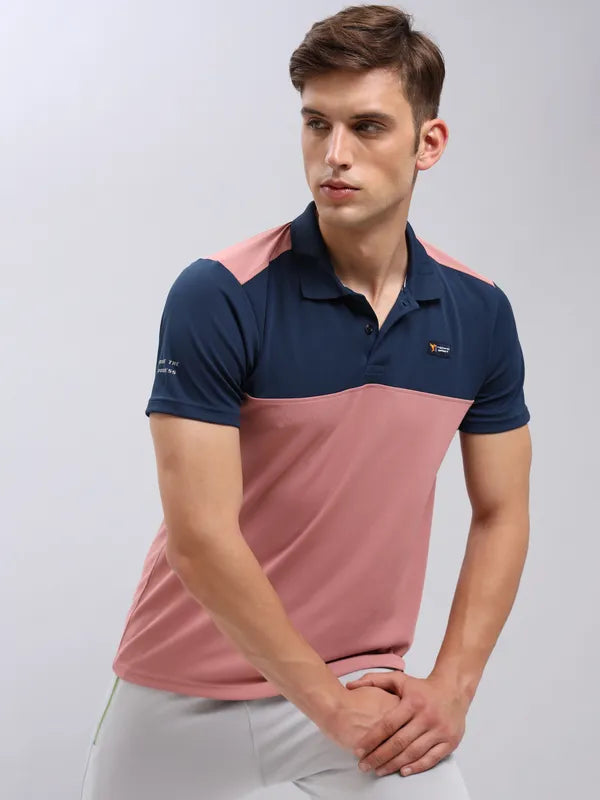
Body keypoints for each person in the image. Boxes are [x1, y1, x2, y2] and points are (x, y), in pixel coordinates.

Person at [80, 4, 531, 798]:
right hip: (181, 698)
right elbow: (199, 538)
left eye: (367, 127)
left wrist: (452, 689)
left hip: (362, 686)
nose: (334, 154)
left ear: (428, 143)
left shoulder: (479, 313)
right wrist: (328, 708)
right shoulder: (221, 294)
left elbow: (502, 512)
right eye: (316, 124)